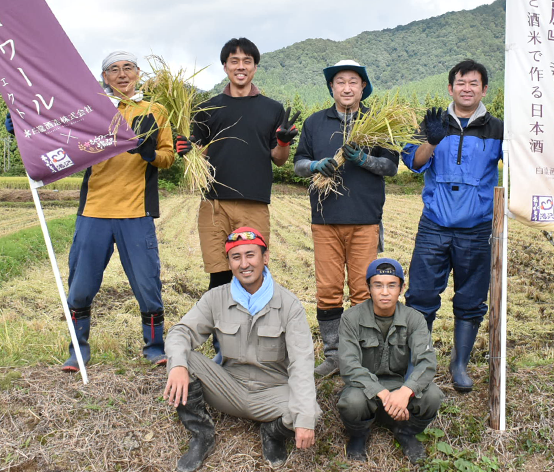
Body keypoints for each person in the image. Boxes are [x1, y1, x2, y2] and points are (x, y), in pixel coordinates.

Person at [53, 51, 174, 371]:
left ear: (138, 73)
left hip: (137, 212)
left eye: (128, 68)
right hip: (94, 211)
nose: (122, 74)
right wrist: (23, 131)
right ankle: (78, 350)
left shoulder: (154, 111)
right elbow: (59, 137)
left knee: (148, 284)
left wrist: (150, 154)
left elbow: (168, 156)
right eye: (114, 70)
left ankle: (155, 347)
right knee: (81, 285)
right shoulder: (91, 110)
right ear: (104, 77)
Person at [163, 226, 318, 471]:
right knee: (182, 359)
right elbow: (180, 332)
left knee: (309, 412)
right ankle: (202, 435)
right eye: (236, 257)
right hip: (229, 388)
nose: (244, 264)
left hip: (273, 391)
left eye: (250, 255)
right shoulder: (215, 298)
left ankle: (273, 432)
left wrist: (305, 419)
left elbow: (302, 363)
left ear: (265, 258)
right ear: (229, 263)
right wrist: (178, 366)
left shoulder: (290, 305)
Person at [400, 59, 502, 392]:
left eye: (474, 84)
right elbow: (413, 162)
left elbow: (522, 162)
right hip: (435, 224)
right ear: (450, 88)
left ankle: (459, 364)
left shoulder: (497, 129)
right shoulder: (433, 122)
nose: (467, 89)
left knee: (471, 298)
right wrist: (431, 140)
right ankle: (418, 363)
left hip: (477, 227)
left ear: (484, 89)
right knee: (421, 295)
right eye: (461, 83)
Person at [293, 60, 398, 377]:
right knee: (327, 290)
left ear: (363, 87)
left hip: (365, 219)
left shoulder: (378, 122)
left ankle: (363, 356)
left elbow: (391, 167)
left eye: (354, 81)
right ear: (331, 87)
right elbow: (298, 163)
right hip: (326, 220)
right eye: (340, 82)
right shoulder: (315, 122)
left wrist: (363, 159)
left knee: (364, 291)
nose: (347, 87)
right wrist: (316, 166)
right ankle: (335, 355)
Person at [191, 38, 299, 291]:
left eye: (247, 61)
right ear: (225, 66)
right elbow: (199, 155)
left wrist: (283, 141)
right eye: (234, 61)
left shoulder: (272, 109)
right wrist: (188, 150)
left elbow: (279, 159)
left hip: (254, 203)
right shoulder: (207, 108)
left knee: (252, 274)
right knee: (218, 276)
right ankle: (221, 319)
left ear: (255, 67)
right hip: (214, 203)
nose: (241, 66)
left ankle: (256, 318)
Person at [337, 258, 442, 463]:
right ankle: (359, 435)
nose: (385, 292)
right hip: (365, 389)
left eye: (392, 285)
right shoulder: (351, 318)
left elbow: (427, 362)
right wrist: (384, 394)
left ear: (402, 288)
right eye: (378, 285)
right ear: (368, 288)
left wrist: (405, 391)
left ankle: (406, 432)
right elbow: (349, 365)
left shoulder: (414, 319)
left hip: (401, 387)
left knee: (432, 396)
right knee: (351, 402)